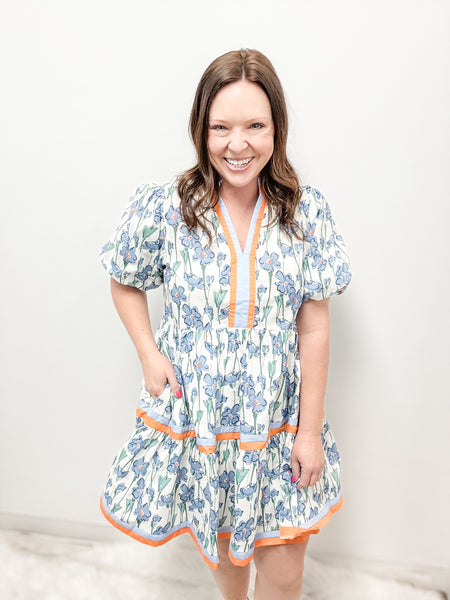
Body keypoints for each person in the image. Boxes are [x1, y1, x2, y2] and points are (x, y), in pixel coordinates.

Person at [98, 48, 352, 600]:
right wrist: (149, 354)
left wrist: (308, 431)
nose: (238, 145)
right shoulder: (169, 207)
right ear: (201, 129)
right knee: (228, 566)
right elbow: (124, 278)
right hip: (205, 425)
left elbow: (314, 329)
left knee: (283, 572)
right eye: (221, 128)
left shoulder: (304, 213)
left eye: (255, 125)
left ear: (277, 127)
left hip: (279, 422)